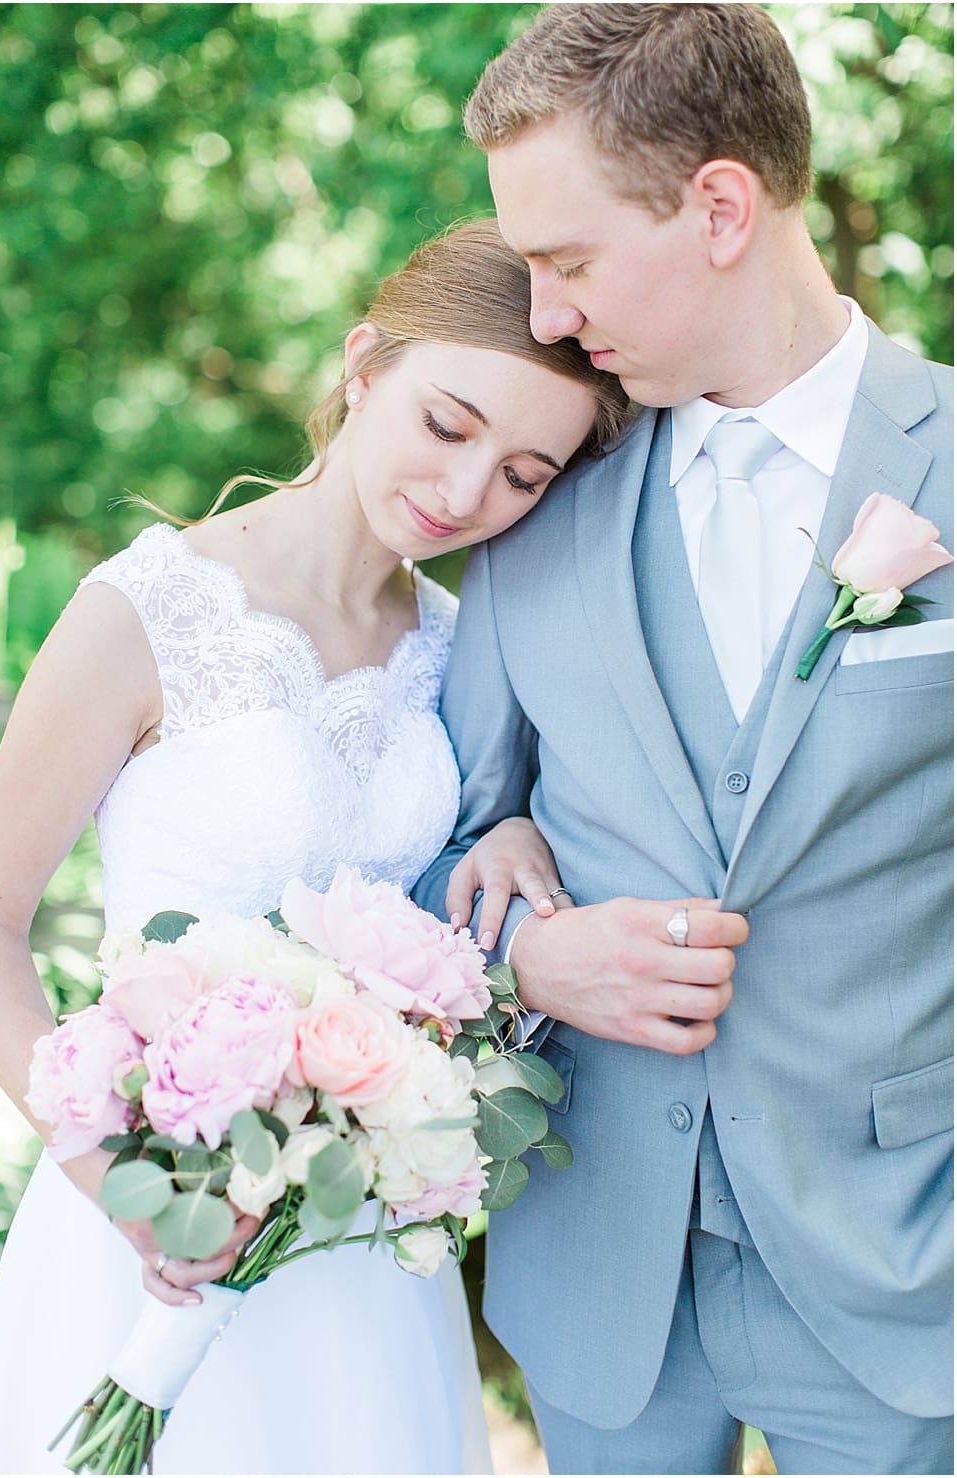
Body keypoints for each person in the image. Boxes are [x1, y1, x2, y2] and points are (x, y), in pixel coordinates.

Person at [0, 220, 633, 1474]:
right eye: (448, 423)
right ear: (364, 363)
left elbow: (470, 878)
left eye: (524, 473)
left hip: (364, 1236)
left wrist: (518, 828)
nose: (464, 491)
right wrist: (115, 1180)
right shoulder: (144, 610)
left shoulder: (468, 650)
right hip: (158, 1200)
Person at [413, 6, 954, 1473]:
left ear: (718, 205)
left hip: (907, 1272)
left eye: (565, 261)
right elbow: (423, 839)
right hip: (597, 1272)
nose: (536, 315)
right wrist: (522, 951)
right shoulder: (533, 493)